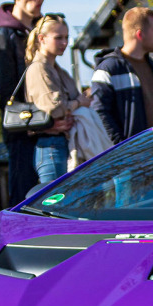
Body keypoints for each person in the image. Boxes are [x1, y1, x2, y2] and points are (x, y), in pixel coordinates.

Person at [0, 0, 47, 204]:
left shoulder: (39, 30)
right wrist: (32, 122)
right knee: (25, 203)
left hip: (45, 129)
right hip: (23, 133)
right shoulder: (3, 36)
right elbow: (8, 95)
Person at [22, 14, 95, 183]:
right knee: (56, 199)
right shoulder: (39, 69)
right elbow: (53, 108)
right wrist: (79, 102)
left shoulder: (56, 69)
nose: (64, 43)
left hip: (61, 144)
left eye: (66, 38)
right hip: (51, 147)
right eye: (58, 38)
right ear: (42, 38)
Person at [90, 7, 153, 145]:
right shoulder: (108, 69)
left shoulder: (152, 66)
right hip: (130, 154)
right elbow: (99, 112)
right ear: (140, 34)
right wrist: (122, 146)